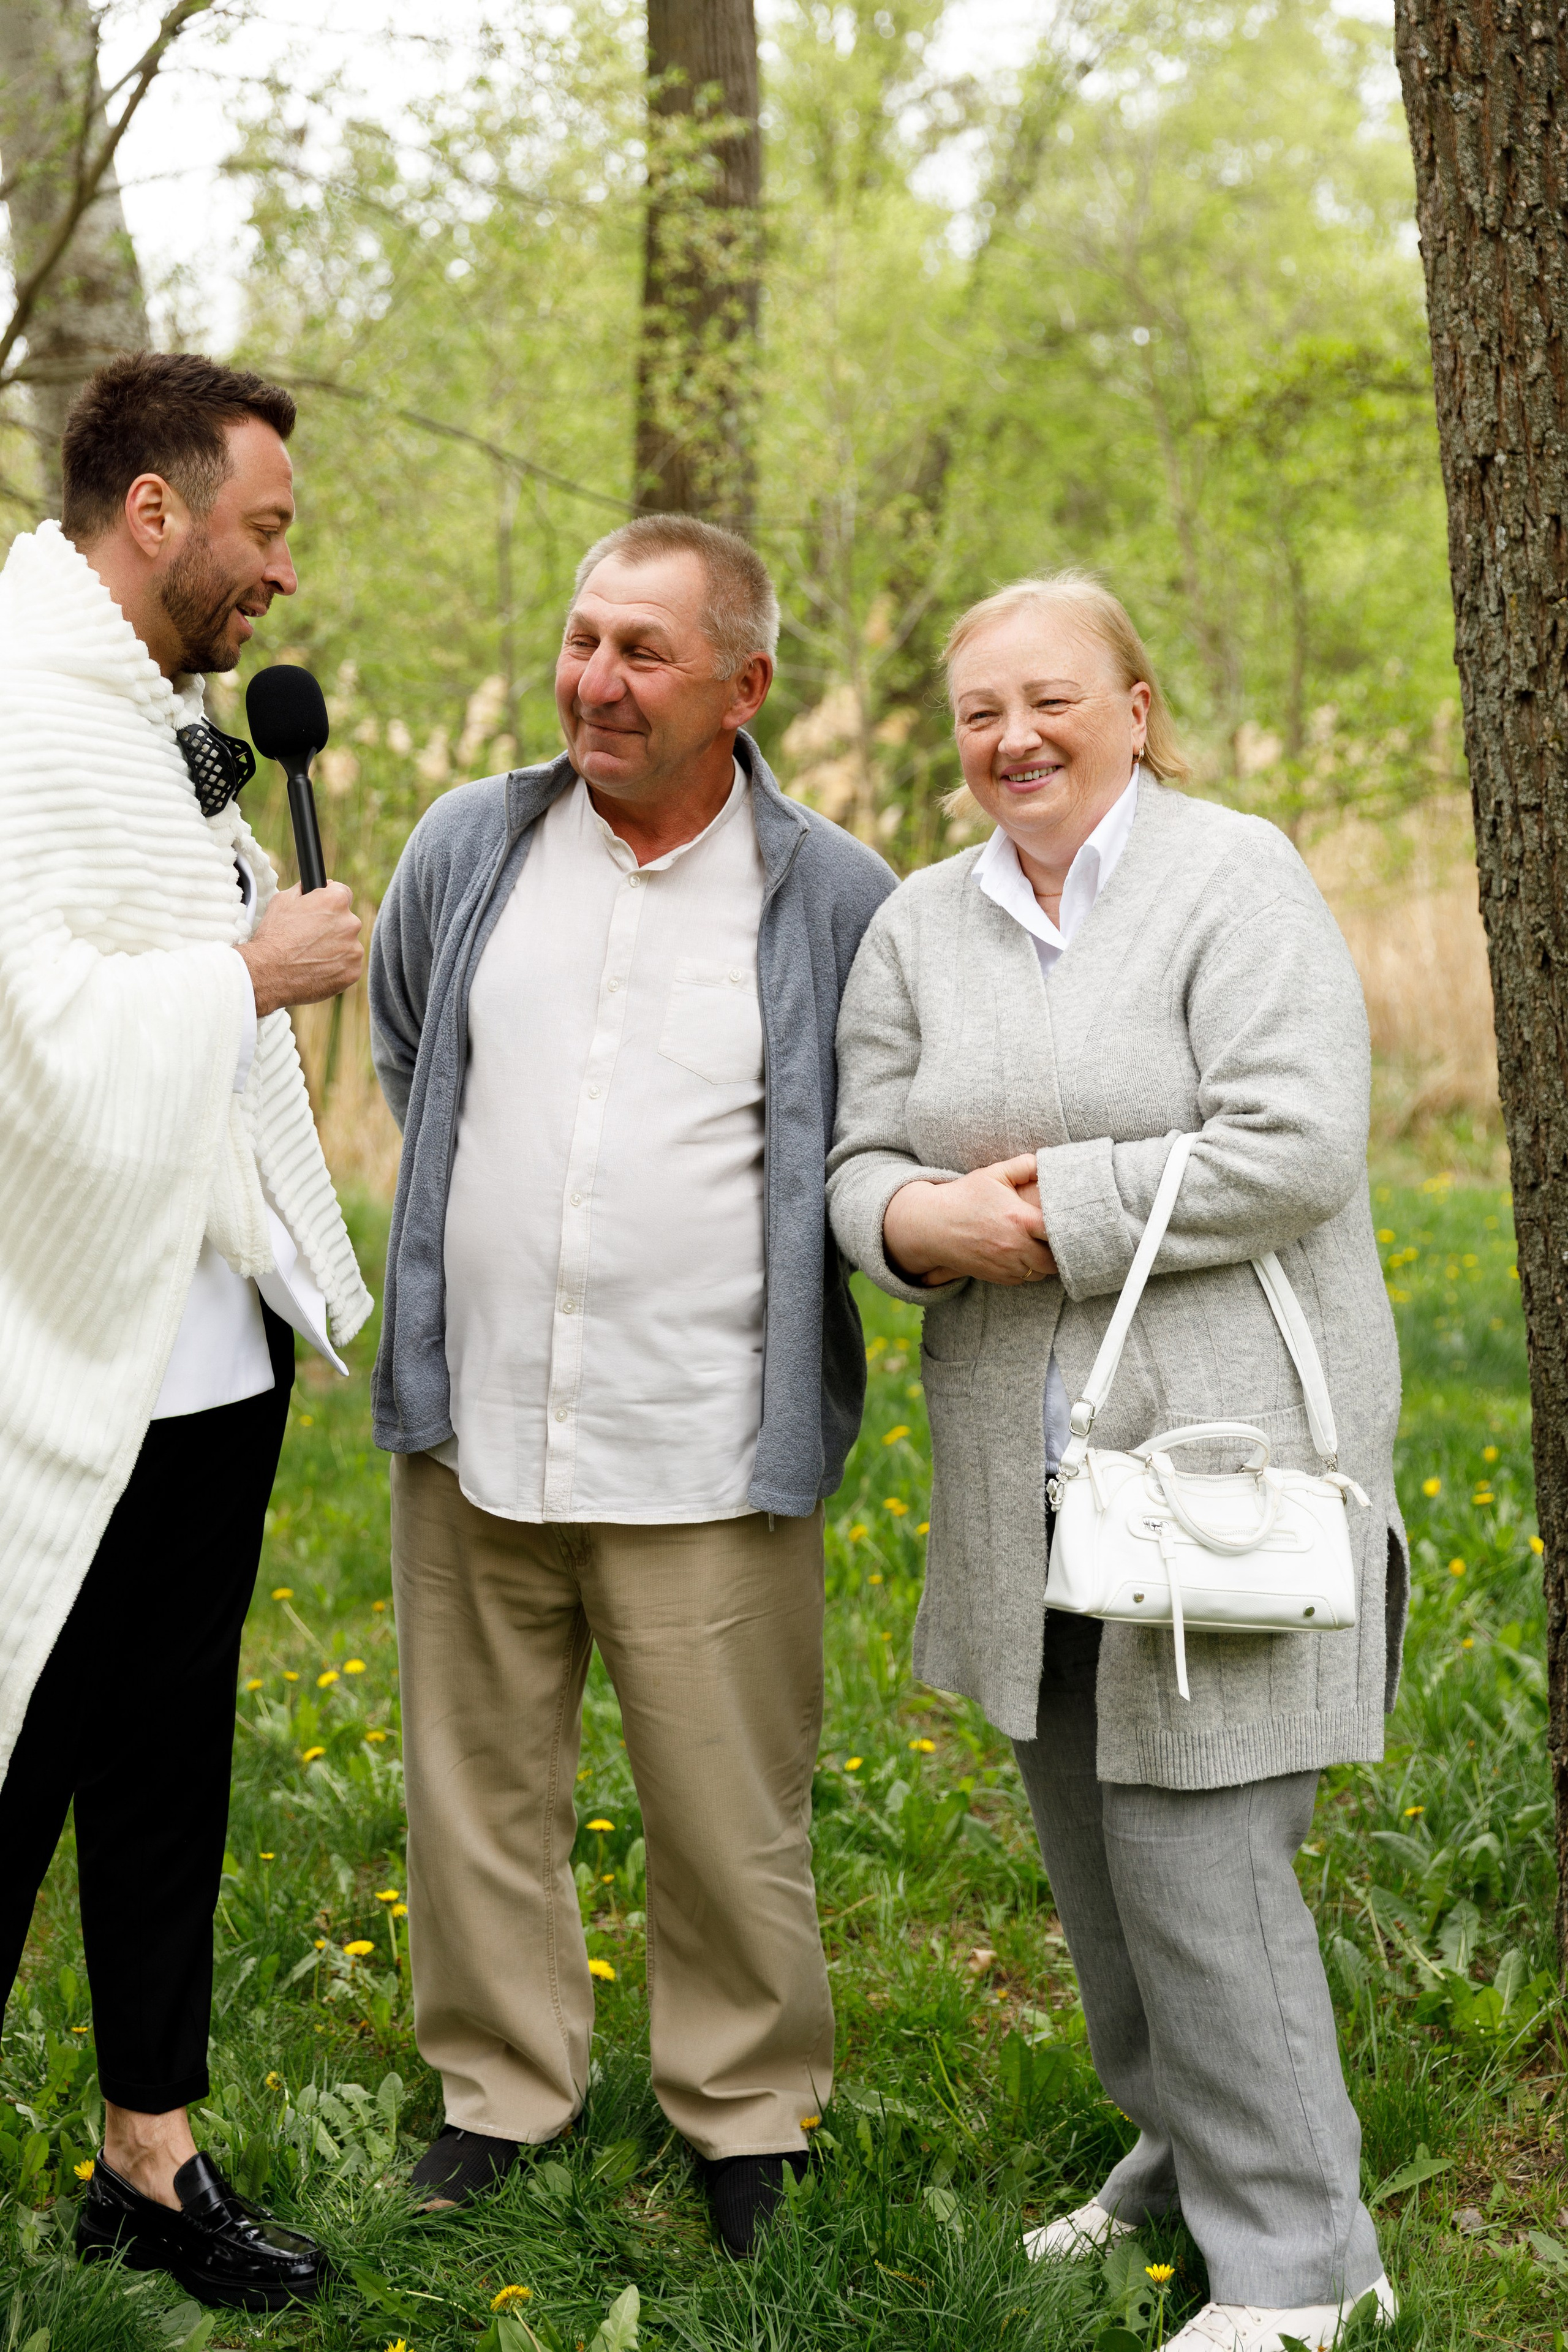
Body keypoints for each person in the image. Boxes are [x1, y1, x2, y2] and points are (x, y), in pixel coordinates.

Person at [826, 572, 1406, 2352]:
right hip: (1027, 1468)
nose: (1015, 738)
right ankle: (1181, 2153)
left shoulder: (1238, 878)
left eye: (1053, 701)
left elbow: (1295, 1142)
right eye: (983, 710)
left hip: (1228, 1448)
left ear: (1138, 707)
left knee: (1199, 1851)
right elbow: (856, 1161)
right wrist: (916, 1220)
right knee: (1095, 1849)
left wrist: (1046, 1213)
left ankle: (1309, 2269)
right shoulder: (922, 922)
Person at [369, 513, 894, 2253]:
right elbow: (407, 1041)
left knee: (729, 1810)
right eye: (584, 638)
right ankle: (499, 2091)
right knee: (476, 1786)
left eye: (641, 652)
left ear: (744, 687)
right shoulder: (475, 844)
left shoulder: (832, 894)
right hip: (480, 1422)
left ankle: (747, 2112)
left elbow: (867, 1130)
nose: (594, 681)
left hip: (705, 1442)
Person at [0, 352, 372, 2311]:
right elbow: (26, 1035)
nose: (281, 575)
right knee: (10, 1780)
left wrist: (245, 942)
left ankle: (149, 2157)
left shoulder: (159, 719)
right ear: (156, 511)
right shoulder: (15, 712)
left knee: (168, 1775)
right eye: (266, 526)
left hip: (208, 1363)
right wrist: (248, 971)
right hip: (50, 1363)